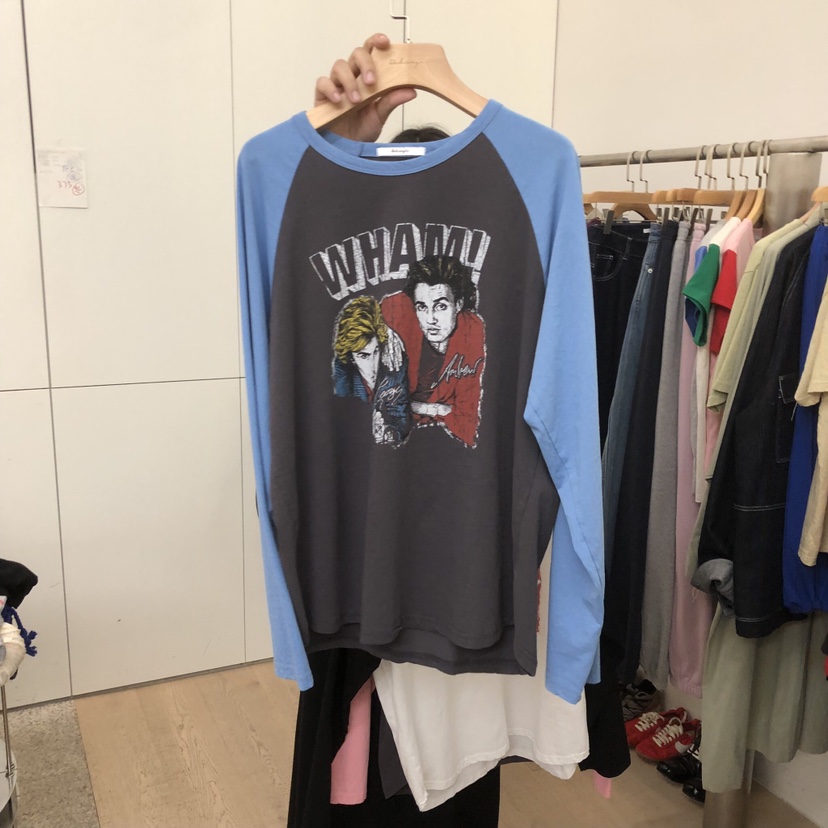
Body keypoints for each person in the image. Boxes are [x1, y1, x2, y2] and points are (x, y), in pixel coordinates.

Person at [381, 255, 485, 447]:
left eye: (441, 306)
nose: (431, 319)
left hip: (448, 449)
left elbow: (468, 424)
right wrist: (384, 331)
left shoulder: (472, 330)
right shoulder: (398, 312)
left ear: (458, 304)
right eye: (422, 307)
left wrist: (419, 407)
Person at [332, 296, 412, 445]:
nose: (372, 365)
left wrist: (389, 432)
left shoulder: (395, 364)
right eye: (363, 356)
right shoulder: (342, 372)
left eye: (376, 352)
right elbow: (339, 418)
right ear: (351, 358)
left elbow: (402, 419)